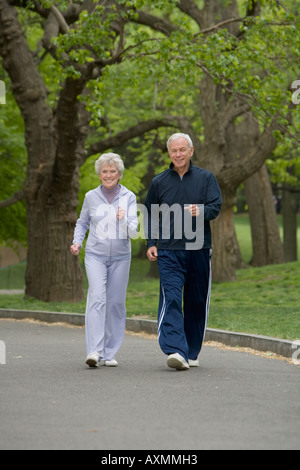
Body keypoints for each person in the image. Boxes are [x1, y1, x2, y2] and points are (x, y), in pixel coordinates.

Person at [144, 133, 222, 371]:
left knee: (196, 301)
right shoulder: (159, 182)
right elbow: (149, 215)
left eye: (182, 150)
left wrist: (200, 211)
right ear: (169, 153)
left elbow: (215, 206)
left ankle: (191, 350)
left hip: (199, 249)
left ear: (191, 151)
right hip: (169, 251)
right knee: (173, 299)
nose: (178, 155)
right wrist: (151, 243)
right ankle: (176, 349)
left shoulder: (206, 178)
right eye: (173, 151)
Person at [70, 153, 138, 368]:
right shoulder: (91, 196)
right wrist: (77, 242)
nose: (108, 175)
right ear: (99, 174)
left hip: (121, 257)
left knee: (116, 304)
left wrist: (123, 219)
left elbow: (134, 232)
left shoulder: (129, 197)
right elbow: (82, 223)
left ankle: (110, 353)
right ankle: (94, 351)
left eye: (112, 171)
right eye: (104, 171)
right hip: (95, 256)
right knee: (97, 299)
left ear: (119, 174)